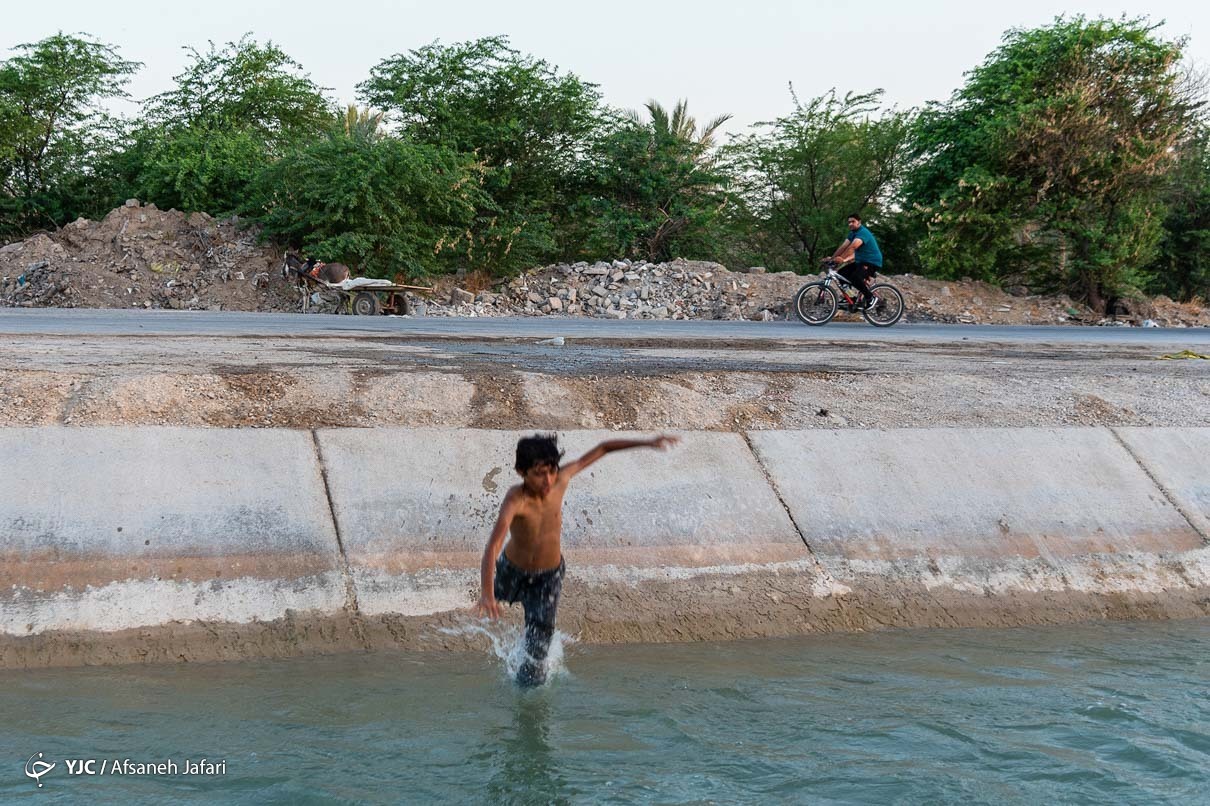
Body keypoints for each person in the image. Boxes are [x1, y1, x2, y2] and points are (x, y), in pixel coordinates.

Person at [475, 432, 680, 687]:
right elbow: (493, 544)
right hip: (512, 570)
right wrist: (486, 592)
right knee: (491, 604)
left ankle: (526, 691)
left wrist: (648, 443)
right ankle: (495, 605)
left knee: (539, 645)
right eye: (539, 473)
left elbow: (604, 448)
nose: (548, 480)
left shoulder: (562, 479)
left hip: (548, 577)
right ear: (521, 472)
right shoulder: (516, 499)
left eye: (551, 471)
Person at [828, 213, 883, 309]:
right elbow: (843, 246)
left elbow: (853, 247)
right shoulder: (852, 234)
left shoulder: (863, 232)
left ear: (859, 222)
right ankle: (850, 297)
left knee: (855, 277)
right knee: (841, 273)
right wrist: (832, 259)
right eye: (849, 222)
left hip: (872, 262)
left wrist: (841, 259)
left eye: (853, 221)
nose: (850, 224)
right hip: (860, 261)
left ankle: (870, 298)